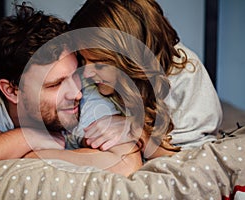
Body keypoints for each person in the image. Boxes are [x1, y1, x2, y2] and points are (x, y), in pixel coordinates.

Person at [0, 2, 142, 176]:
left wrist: (21, 153)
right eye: (55, 84)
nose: (76, 93)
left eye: (75, 75)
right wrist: (28, 138)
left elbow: (126, 163)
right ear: (12, 91)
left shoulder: (87, 92)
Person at [68, 0, 223, 158]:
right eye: (83, 59)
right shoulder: (93, 78)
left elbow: (193, 157)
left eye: (99, 64)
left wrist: (136, 132)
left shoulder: (184, 72)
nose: (86, 73)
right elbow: (88, 137)